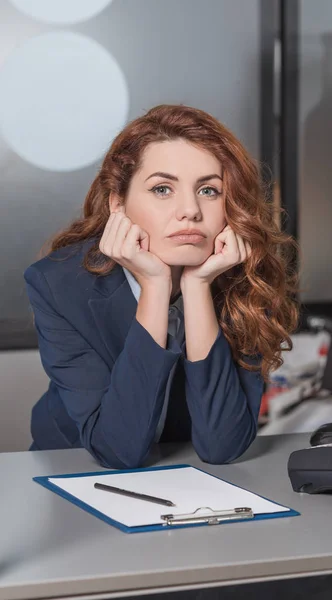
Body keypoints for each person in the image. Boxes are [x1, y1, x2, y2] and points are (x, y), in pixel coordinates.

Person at [25, 104, 298, 469]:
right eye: (163, 189)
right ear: (118, 203)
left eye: (209, 191)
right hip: (68, 466)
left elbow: (222, 446)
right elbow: (117, 451)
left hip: (185, 473)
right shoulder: (57, 284)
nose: (190, 210)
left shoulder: (245, 281)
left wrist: (199, 285)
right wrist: (154, 288)